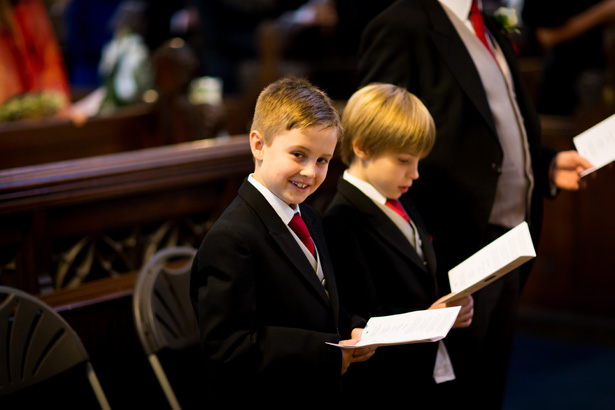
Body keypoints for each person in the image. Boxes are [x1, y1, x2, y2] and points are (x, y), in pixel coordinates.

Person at [357, 0, 594, 408]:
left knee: (490, 383)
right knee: (454, 393)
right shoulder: (401, 24)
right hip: (451, 242)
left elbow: (503, 119)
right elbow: (379, 137)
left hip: (510, 241)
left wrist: (548, 164)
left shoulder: (491, 21)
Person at [189, 76, 375, 405]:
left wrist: (355, 328)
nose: (310, 172)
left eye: (322, 160)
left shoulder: (310, 218)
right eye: (298, 154)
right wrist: (327, 352)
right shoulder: (232, 238)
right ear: (258, 145)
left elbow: (323, 300)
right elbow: (229, 347)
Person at [322, 83, 474, 405]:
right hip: (386, 382)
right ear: (362, 147)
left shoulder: (399, 196)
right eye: (404, 160)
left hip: (424, 367)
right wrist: (430, 318)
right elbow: (359, 316)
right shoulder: (340, 220)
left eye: (418, 161)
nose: (415, 173)